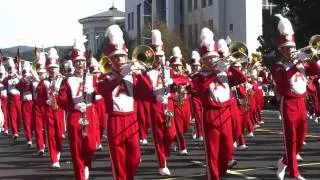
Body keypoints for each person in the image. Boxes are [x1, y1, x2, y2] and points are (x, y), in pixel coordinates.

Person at [272, 14, 320, 180]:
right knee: (291, 140)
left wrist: (312, 57)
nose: (291, 50)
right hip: (288, 103)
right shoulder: (278, 66)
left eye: (292, 47)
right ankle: (294, 173)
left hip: (301, 103)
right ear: (281, 50)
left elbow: (317, 71)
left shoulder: (300, 63)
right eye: (287, 48)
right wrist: (294, 64)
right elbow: (283, 86)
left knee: (300, 140)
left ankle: (284, 161)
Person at [194, 27, 246, 179]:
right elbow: (201, 88)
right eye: (208, 58)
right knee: (213, 153)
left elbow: (241, 78)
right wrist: (215, 73)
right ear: (203, 60)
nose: (212, 60)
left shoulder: (224, 71)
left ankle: (219, 174)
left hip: (226, 115)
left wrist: (230, 65)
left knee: (227, 150)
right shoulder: (199, 76)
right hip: (211, 115)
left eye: (214, 57)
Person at [97, 24, 145, 180]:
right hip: (115, 120)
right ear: (110, 60)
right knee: (118, 162)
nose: (119, 60)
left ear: (126, 56)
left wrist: (142, 73)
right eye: (115, 57)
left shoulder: (133, 76)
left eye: (122, 56)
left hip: (131, 119)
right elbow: (102, 89)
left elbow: (148, 93)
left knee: (135, 159)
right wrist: (120, 76)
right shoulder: (106, 77)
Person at [58, 39, 98, 180]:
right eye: (77, 62)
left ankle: (87, 164)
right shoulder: (67, 80)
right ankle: (80, 175)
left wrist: (93, 92)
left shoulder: (93, 78)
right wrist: (73, 106)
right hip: (75, 115)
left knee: (91, 145)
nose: (80, 64)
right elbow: (61, 100)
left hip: (90, 113)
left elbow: (100, 97)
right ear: (74, 63)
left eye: (82, 61)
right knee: (76, 148)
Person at [43, 48, 65, 168]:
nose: (53, 70)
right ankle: (54, 159)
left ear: (58, 67)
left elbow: (67, 95)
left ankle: (58, 150)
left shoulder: (63, 80)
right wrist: (46, 101)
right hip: (48, 110)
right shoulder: (44, 81)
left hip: (60, 109)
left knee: (60, 134)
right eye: (50, 68)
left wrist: (58, 91)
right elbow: (39, 97)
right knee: (50, 134)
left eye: (54, 67)